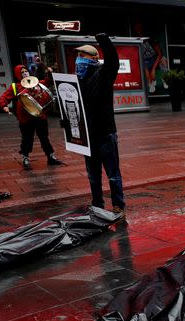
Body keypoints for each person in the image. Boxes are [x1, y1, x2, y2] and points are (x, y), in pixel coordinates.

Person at [76, 34, 125, 215]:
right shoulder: (79, 80)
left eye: (83, 56)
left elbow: (113, 61)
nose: (79, 59)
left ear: (94, 58)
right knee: (93, 177)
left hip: (105, 133)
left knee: (112, 174)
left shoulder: (103, 73)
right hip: (88, 136)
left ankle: (118, 205)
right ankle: (97, 205)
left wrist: (104, 41)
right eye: (78, 56)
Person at [0, 65, 63, 170]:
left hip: (40, 116)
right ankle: (25, 158)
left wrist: (50, 73)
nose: (25, 73)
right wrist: (4, 106)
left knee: (44, 138)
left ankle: (51, 157)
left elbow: (49, 81)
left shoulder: (37, 82)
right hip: (25, 118)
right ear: (18, 74)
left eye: (26, 71)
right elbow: (3, 97)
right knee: (27, 139)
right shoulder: (15, 86)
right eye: (22, 72)